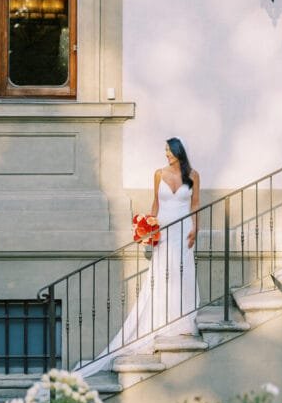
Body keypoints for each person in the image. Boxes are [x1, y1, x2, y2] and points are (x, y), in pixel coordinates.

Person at [79, 138, 200, 376]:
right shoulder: (158, 174)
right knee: (162, 272)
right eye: (165, 150)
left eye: (168, 150)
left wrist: (196, 228)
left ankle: (182, 320)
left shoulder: (193, 175)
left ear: (178, 152)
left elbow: (195, 204)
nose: (166, 154)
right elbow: (156, 203)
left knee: (182, 270)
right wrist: (149, 225)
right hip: (163, 230)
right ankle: (162, 318)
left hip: (183, 229)